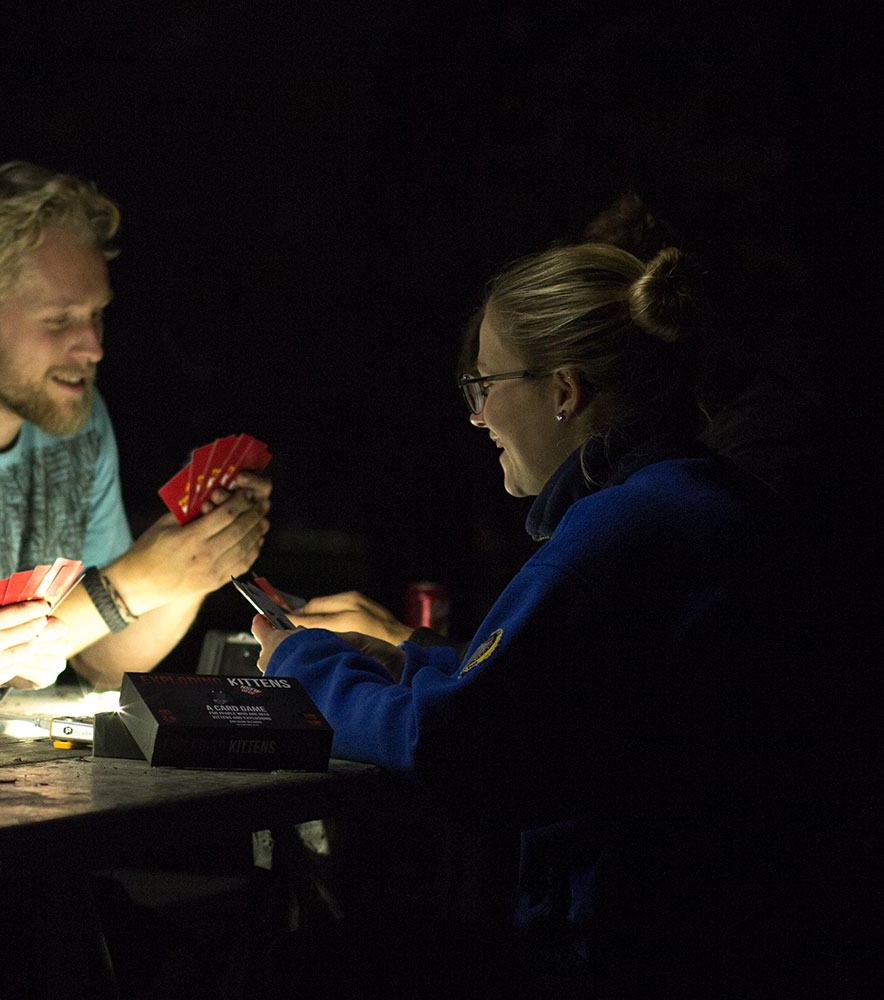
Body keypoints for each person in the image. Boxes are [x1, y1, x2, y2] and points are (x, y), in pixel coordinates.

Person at [252, 243, 856, 997]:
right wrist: (413, 665)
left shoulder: (615, 534)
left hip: (625, 960)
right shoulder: (722, 501)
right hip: (763, 944)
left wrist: (302, 665)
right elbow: (573, 696)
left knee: (299, 969)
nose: (475, 416)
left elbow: (452, 747)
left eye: (484, 384)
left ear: (563, 389)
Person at [0, 161, 270, 698]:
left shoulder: (75, 413)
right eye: (59, 319)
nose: (92, 348)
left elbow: (106, 661)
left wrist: (195, 563)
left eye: (96, 316)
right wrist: (136, 579)